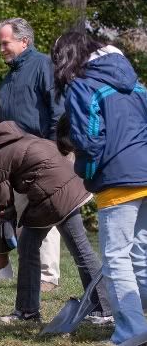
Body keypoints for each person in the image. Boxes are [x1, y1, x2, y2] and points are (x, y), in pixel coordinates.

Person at [0, 117, 112, 323]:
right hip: (66, 182)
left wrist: (1, 253)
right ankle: (29, 311)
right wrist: (2, 251)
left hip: (55, 193)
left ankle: (103, 309)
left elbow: (4, 210)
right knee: (33, 245)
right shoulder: (8, 137)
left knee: (77, 249)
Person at [53, 31, 147, 345]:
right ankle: (136, 322)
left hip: (117, 181)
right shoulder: (136, 84)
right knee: (141, 257)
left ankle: (132, 332)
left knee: (117, 259)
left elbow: (88, 141)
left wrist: (87, 173)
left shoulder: (82, 85)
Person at [0, 17, 63, 293]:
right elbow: (4, 117)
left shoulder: (43, 66)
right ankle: (32, 269)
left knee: (44, 212)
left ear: (24, 41)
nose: (1, 48)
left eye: (5, 43)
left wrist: (53, 147)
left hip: (40, 152)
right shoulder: (10, 76)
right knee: (24, 215)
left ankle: (47, 276)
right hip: (14, 156)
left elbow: (58, 109)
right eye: (0, 43)